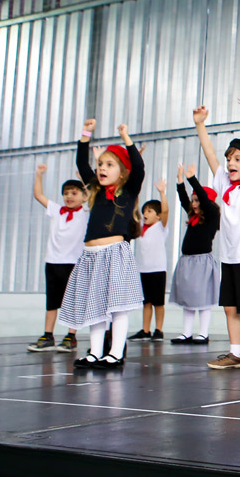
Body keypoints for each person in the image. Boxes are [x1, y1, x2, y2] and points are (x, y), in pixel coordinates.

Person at [59, 119, 145, 369]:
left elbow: (139, 167)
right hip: (91, 254)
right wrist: (85, 134)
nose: (102, 169)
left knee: (117, 307)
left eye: (109, 165)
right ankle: (95, 352)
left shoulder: (128, 191)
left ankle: (115, 353)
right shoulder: (95, 190)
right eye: (100, 165)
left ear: (123, 171)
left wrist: (126, 138)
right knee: (94, 305)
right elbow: (81, 163)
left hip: (114, 253)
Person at [195, 99, 240, 371]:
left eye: (237, 159)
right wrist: (200, 125)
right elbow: (210, 154)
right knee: (230, 308)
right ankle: (236, 352)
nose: (230, 164)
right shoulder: (224, 183)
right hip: (229, 258)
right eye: (229, 160)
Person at [28, 164, 86, 353]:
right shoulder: (56, 210)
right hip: (53, 262)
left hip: (73, 263)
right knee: (52, 301)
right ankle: (48, 335)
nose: (69, 196)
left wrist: (84, 179)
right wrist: (39, 175)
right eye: (66, 193)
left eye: (74, 193)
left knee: (73, 301)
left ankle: (71, 336)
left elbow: (94, 195)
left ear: (83, 196)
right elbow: (38, 195)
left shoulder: (86, 212)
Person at [168, 163, 220, 345]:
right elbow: (183, 199)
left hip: (201, 262)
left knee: (202, 299)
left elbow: (204, 199)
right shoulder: (193, 217)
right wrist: (180, 181)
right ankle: (186, 332)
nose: (194, 204)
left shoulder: (212, 216)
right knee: (188, 299)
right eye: (193, 200)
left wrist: (192, 179)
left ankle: (203, 333)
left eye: (198, 200)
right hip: (187, 262)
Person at [130, 181, 169, 342]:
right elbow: (134, 210)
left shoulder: (161, 226)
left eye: (150, 211)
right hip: (142, 269)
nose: (145, 213)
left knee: (158, 302)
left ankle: (158, 330)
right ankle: (145, 330)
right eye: (145, 211)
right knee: (146, 302)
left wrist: (162, 193)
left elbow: (165, 210)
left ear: (158, 215)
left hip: (157, 269)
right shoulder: (140, 226)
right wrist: (135, 194)